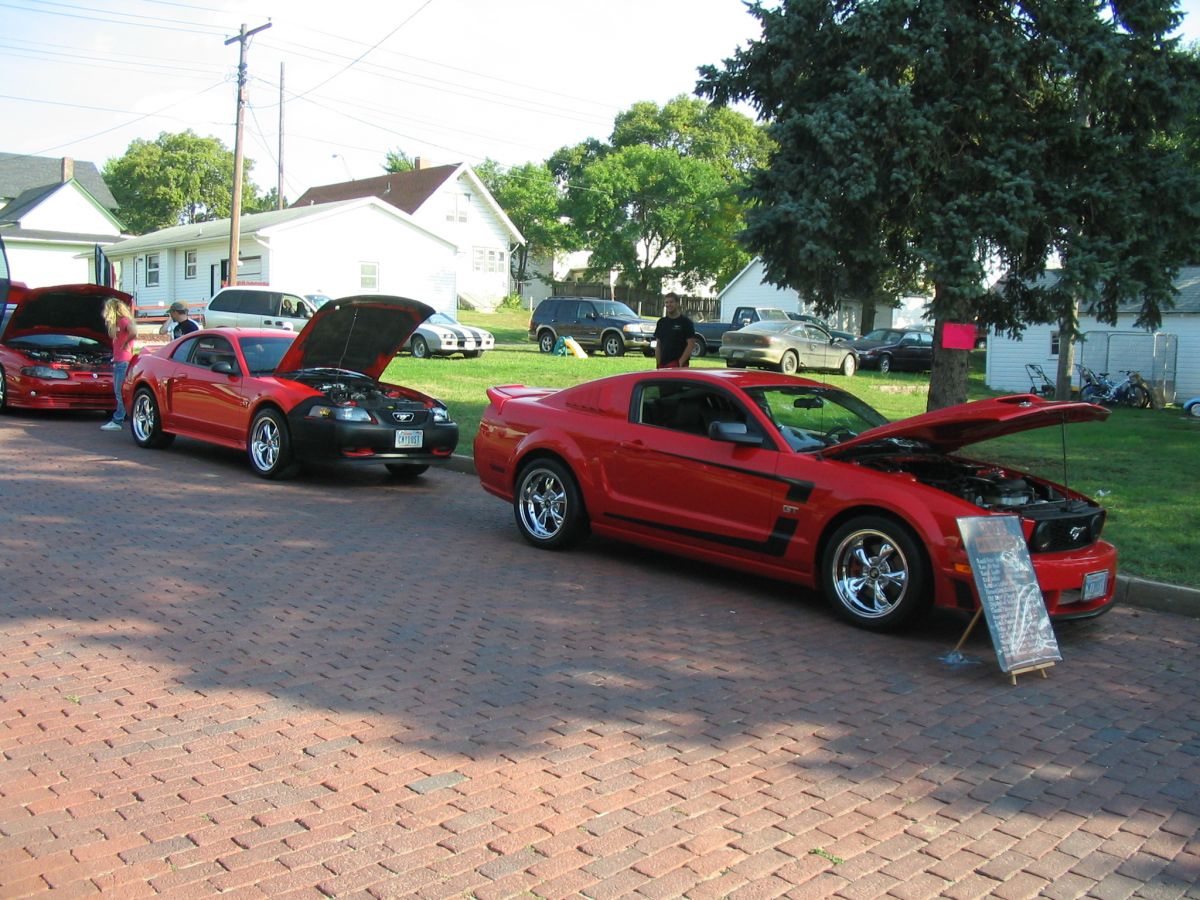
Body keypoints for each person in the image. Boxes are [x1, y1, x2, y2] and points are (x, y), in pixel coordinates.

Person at [101, 297, 138, 431]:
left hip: (123, 361)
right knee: (119, 392)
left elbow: (134, 331)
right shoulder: (118, 323)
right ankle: (121, 418)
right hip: (119, 361)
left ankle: (118, 420)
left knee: (119, 392)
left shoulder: (123, 321)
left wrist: (126, 343)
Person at [654, 292, 696, 369]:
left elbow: (691, 344)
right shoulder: (661, 322)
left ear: (677, 303)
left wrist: (680, 362)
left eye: (671, 302)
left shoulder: (686, 322)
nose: (669, 305)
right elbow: (658, 345)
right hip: (663, 365)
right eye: (666, 302)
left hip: (679, 366)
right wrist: (658, 364)